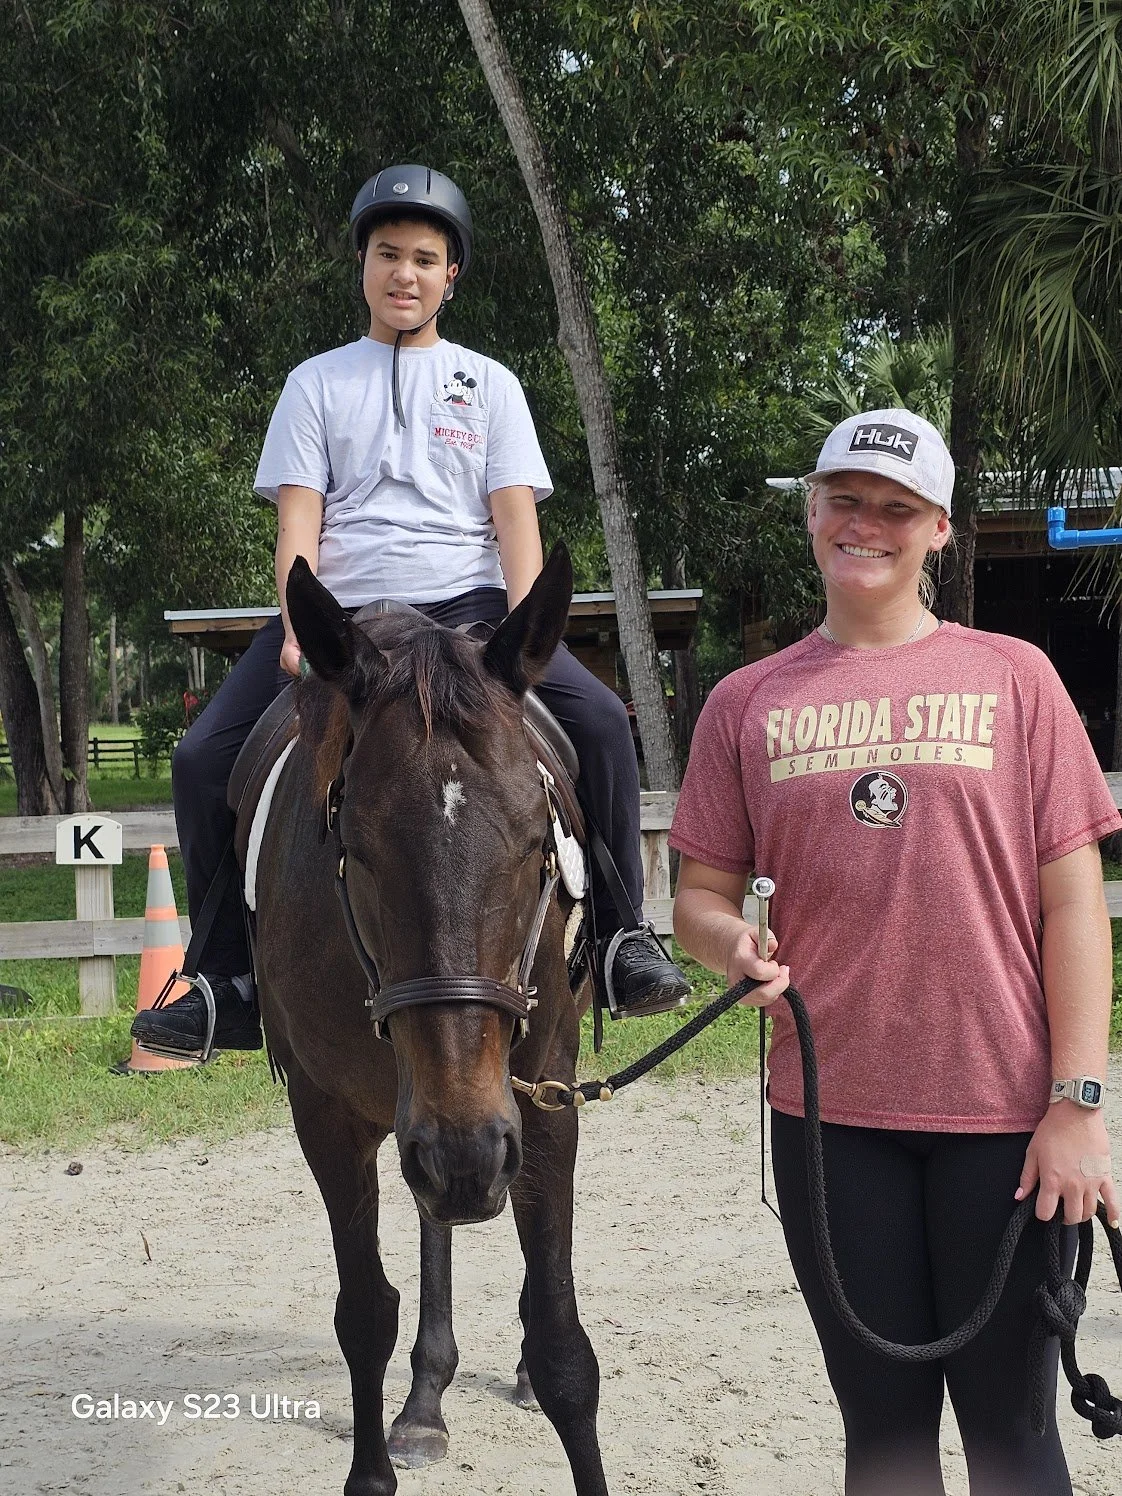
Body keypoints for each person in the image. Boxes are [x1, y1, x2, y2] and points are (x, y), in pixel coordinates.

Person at [134, 163, 687, 1059]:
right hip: (345, 621)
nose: (405, 274)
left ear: (451, 276)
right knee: (201, 759)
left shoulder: (491, 384)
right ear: (362, 263)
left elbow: (515, 521)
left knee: (604, 728)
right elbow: (299, 520)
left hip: (468, 612)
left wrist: (524, 636)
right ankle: (222, 976)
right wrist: (295, 630)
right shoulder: (314, 384)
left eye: (425, 259)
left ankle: (624, 936)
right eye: (388, 254)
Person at [669, 407, 1122, 1495]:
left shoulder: (1017, 679)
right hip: (830, 1122)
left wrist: (1080, 1101)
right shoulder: (745, 701)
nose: (865, 523)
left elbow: (1076, 908)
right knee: (880, 1432)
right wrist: (731, 938)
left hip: (1004, 1119)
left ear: (939, 530)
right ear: (813, 511)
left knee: (1013, 1435)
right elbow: (695, 895)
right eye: (846, 499)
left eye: (896, 507)